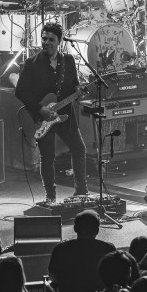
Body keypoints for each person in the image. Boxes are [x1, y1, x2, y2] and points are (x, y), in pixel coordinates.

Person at [15, 21, 88, 203]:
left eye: (51, 39)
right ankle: (50, 196)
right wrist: (40, 109)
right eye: (44, 38)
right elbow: (20, 91)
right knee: (47, 157)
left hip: (65, 114)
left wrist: (79, 89)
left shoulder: (69, 60)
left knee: (79, 149)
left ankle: (81, 191)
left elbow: (74, 84)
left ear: (59, 41)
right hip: (43, 117)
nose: (46, 42)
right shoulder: (32, 63)